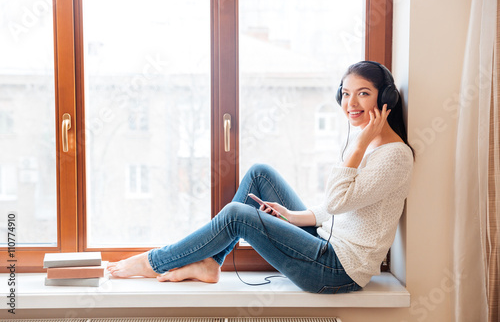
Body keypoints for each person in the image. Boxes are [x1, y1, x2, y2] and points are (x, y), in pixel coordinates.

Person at [107, 61, 414, 294]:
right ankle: (211, 263)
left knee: (236, 216)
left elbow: (338, 201)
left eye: (363, 94)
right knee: (259, 174)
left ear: (386, 100)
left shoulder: (394, 156)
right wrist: (294, 217)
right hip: (326, 243)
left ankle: (154, 262)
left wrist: (358, 146)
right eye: (346, 94)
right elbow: (341, 211)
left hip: (337, 270)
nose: (351, 104)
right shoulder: (367, 145)